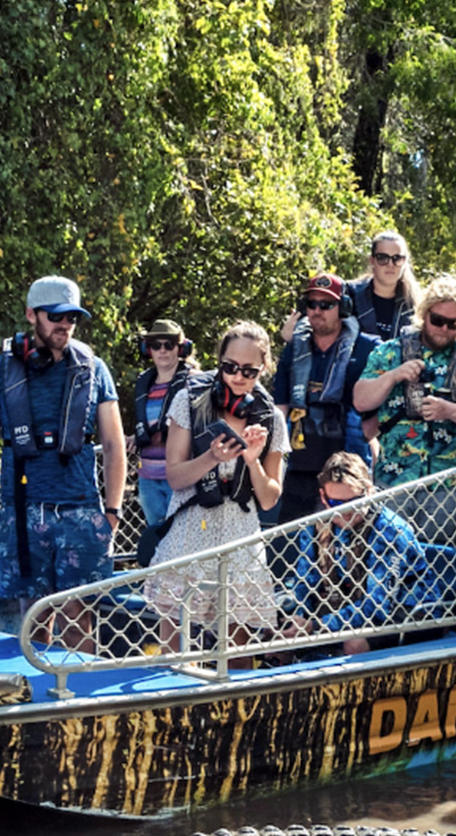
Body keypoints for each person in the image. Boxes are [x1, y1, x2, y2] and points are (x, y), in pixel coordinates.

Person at [0, 276, 127, 653]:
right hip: (23, 512)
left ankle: (84, 706)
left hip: (81, 510)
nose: (66, 324)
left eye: (72, 316)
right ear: (31, 315)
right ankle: (34, 707)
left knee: (79, 620)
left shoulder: (94, 369)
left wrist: (112, 513)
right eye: (56, 316)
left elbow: (113, 443)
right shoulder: (1, 370)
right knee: (33, 621)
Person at [143, 322, 289, 661]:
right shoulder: (188, 401)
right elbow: (176, 477)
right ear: (219, 362)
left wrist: (252, 462)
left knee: (237, 652)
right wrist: (211, 457)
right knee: (174, 648)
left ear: (263, 369)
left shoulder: (271, 418)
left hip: (239, 536)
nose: (238, 377)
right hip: (190, 531)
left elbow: (268, 498)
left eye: (249, 371)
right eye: (230, 367)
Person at [352, 275, 456, 546]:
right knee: (393, 561)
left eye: (453, 323)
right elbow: (361, 400)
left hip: (448, 485)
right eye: (437, 320)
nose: (444, 328)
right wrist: (394, 376)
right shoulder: (389, 353)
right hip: (394, 480)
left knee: (435, 563)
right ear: (424, 314)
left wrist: (450, 410)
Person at [280, 451, 421, 655]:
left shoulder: (391, 531)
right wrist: (299, 621)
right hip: (344, 605)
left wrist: (316, 626)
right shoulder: (314, 528)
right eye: (336, 503)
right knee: (279, 632)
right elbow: (305, 583)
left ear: (369, 492)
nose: (345, 512)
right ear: (323, 497)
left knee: (354, 642)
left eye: (354, 503)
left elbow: (378, 607)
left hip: (407, 613)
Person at [270, 273, 382, 525]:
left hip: (347, 470)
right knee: (291, 546)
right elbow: (280, 407)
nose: (317, 311)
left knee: (346, 550)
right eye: (312, 304)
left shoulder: (368, 349)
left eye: (326, 304)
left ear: (343, 307)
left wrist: (370, 436)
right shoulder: (293, 349)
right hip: (299, 467)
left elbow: (381, 404)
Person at [132, 318, 198, 529]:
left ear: (181, 348)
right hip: (148, 477)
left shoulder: (195, 381)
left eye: (169, 345)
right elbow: (148, 424)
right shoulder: (145, 384)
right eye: (156, 345)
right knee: (156, 537)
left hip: (180, 478)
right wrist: (134, 438)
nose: (162, 350)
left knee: (182, 537)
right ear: (148, 349)